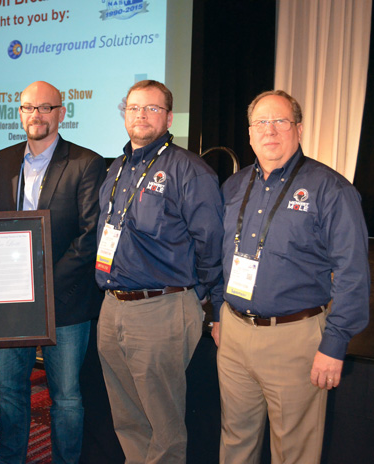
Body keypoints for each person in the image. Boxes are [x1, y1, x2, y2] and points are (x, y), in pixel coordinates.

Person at [213, 90, 370, 463]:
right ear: (249, 134)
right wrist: (219, 310)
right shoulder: (234, 186)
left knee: (294, 452)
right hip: (234, 335)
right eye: (261, 123)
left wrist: (335, 343)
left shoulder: (331, 189)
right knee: (235, 442)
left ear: (298, 129)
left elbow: (353, 272)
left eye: (280, 121)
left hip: (295, 339)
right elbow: (221, 254)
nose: (270, 131)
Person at [95, 80, 224, 463]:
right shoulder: (116, 168)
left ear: (168, 117)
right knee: (128, 417)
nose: (141, 115)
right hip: (112, 305)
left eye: (151, 109)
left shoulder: (189, 170)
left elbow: (211, 241)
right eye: (134, 108)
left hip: (161, 306)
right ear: (124, 115)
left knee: (164, 424)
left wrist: (201, 295)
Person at [0, 80, 112, 464]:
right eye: (28, 107)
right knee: (9, 392)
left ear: (61, 113)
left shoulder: (86, 162)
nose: (36, 115)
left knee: (67, 398)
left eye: (45, 107)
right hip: (12, 301)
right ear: (19, 112)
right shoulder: (2, 160)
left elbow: (90, 235)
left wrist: (44, 287)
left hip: (66, 300)